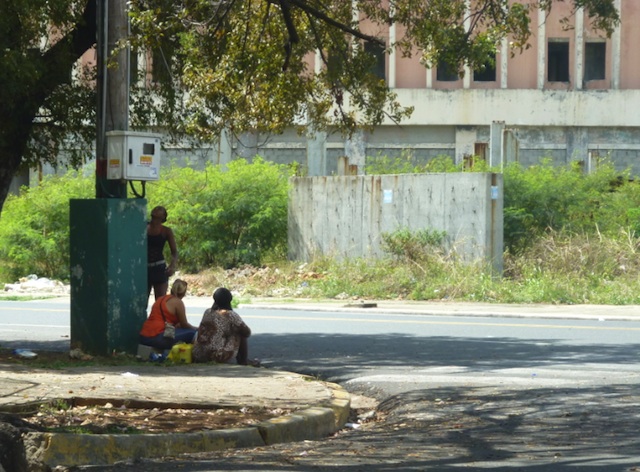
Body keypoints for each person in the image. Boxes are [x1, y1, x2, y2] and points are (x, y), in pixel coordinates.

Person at [192, 287, 257, 366]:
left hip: (199, 354)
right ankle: (243, 361)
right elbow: (247, 332)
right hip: (216, 356)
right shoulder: (230, 315)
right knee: (240, 332)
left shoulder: (207, 311)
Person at [139, 279, 197, 350]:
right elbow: (184, 324)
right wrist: (197, 329)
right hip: (157, 337)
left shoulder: (160, 299)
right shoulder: (178, 302)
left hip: (144, 337)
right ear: (183, 293)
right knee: (193, 333)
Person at [147, 205, 178, 300]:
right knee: (141, 303)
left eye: (160, 209)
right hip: (143, 268)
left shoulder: (166, 231)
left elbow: (174, 252)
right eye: (155, 208)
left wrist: (172, 266)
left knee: (160, 302)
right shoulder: (142, 226)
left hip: (159, 268)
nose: (156, 209)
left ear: (163, 217)